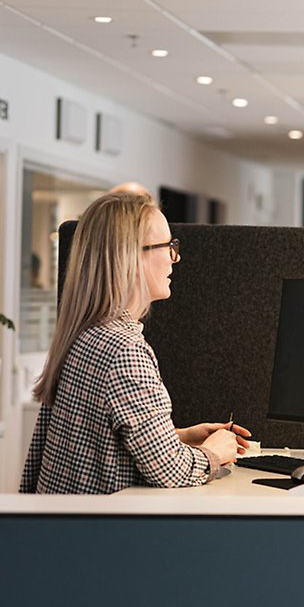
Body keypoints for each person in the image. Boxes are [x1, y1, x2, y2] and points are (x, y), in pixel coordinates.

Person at [20, 192, 249, 494]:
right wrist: (215, 454)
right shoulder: (124, 349)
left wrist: (179, 436)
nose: (174, 258)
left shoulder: (86, 333)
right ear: (131, 256)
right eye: (167, 246)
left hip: (64, 530)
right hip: (101, 534)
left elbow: (100, 442)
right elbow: (170, 470)